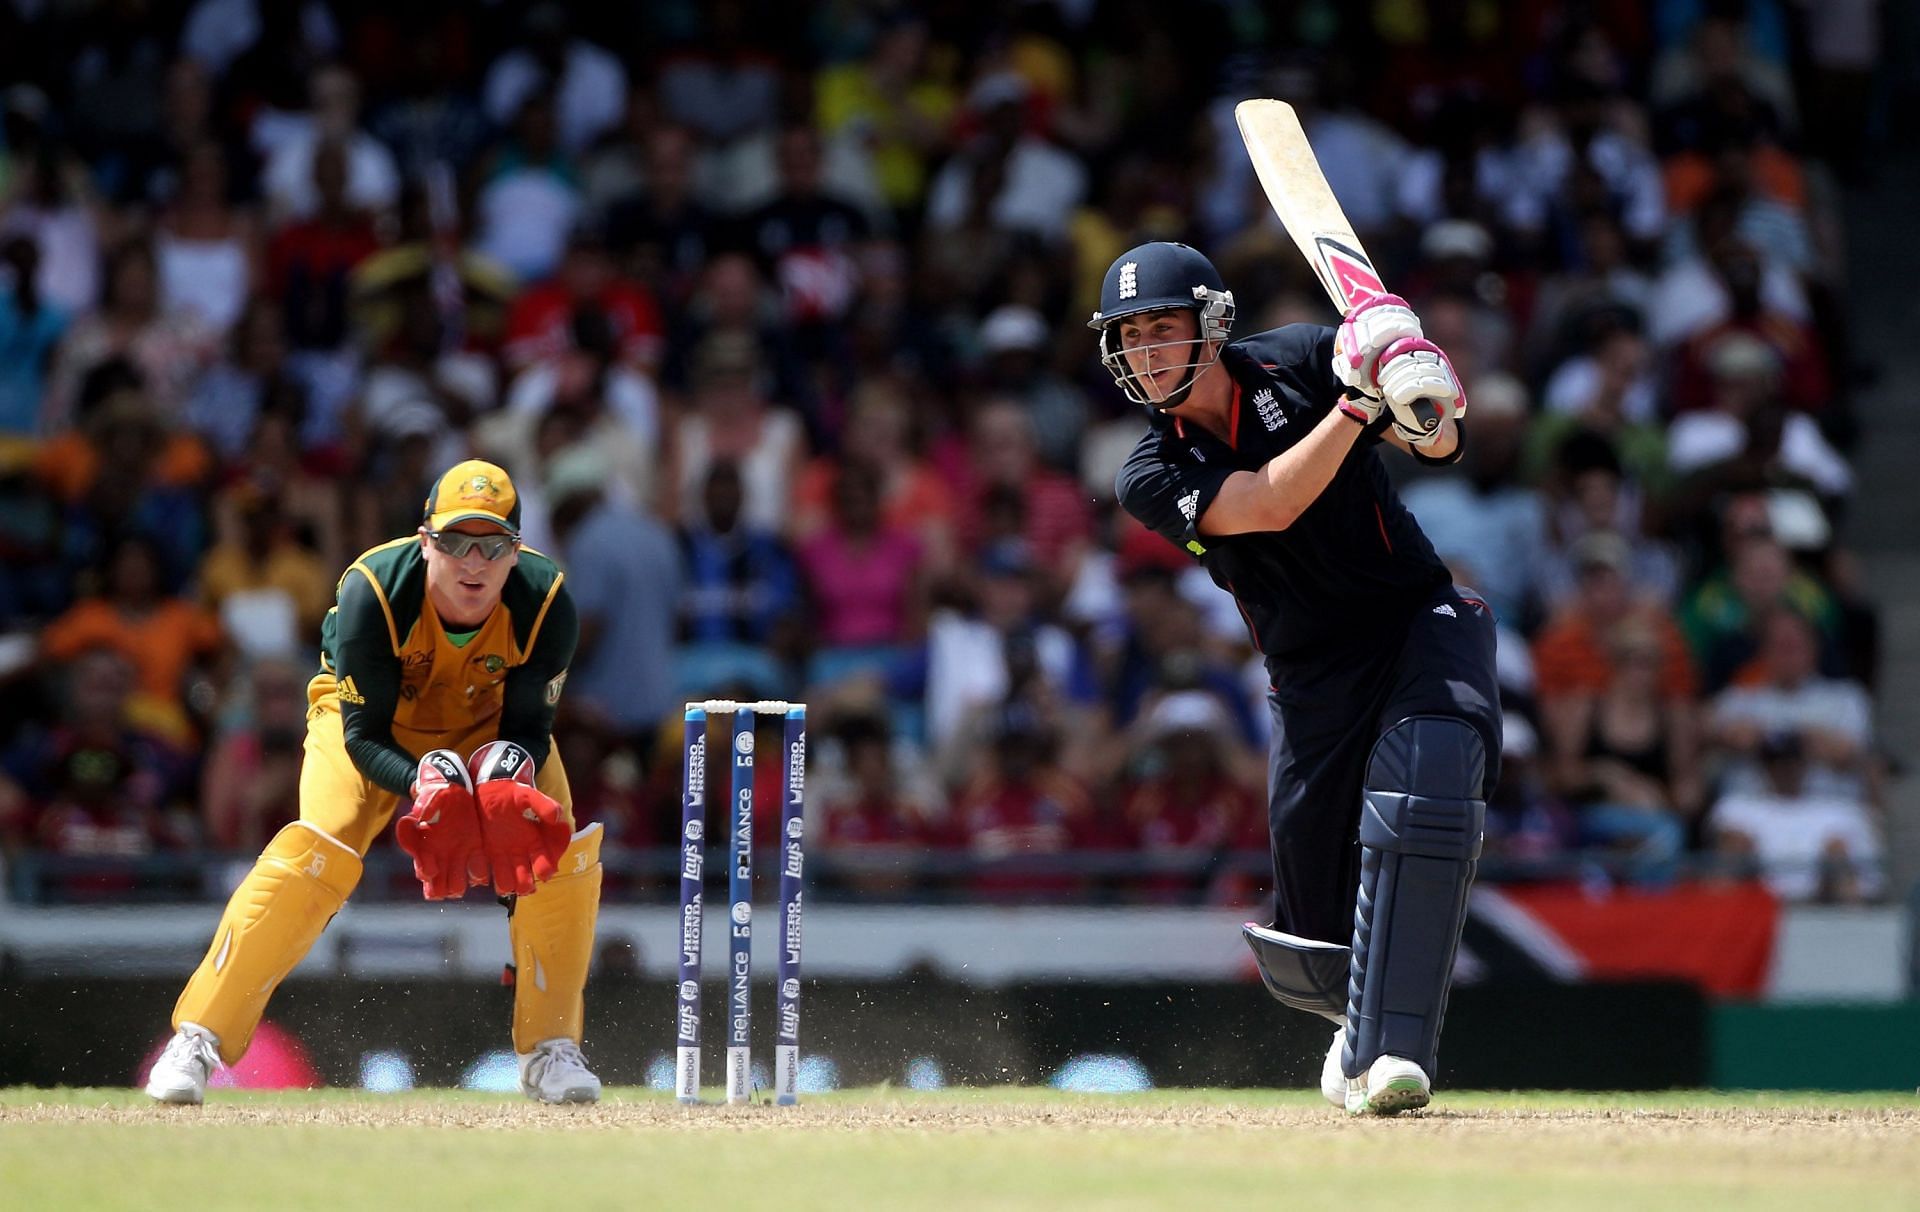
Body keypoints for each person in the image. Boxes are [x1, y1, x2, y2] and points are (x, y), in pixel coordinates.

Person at [1099, 242, 1496, 1115]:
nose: (1145, 353)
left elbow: (1438, 440)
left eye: (1162, 329)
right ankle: (1354, 1030)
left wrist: (1416, 389)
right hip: (1311, 676)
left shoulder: (1304, 357)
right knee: (1314, 940)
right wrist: (1358, 402)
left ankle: (1396, 1049)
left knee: (1431, 775)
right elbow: (1271, 500)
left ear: (1213, 324)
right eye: (1129, 339)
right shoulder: (1147, 472)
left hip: (1413, 618)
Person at [144, 459, 605, 1106]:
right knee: (317, 852)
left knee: (560, 854)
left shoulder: (546, 599)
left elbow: (531, 723)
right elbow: (362, 737)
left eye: (493, 546)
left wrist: (508, 767)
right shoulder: (374, 589)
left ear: (516, 553)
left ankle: (550, 1050)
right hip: (373, 726)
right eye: (455, 543)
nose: (473, 563)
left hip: (485, 720)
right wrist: (425, 780)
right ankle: (198, 1038)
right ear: (425, 544)